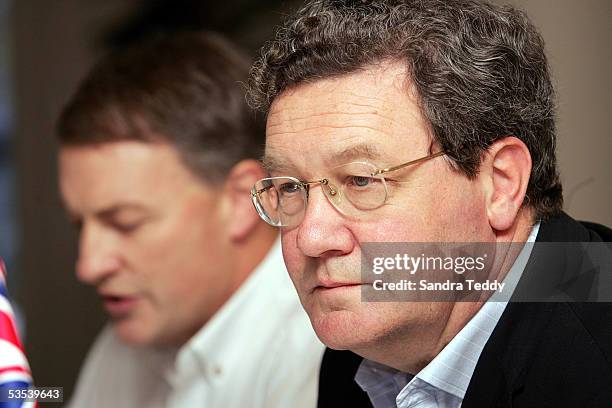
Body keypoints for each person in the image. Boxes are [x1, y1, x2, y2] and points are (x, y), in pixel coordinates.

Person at [245, 0, 612, 407]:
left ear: (501, 184)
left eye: (362, 180)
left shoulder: (594, 369)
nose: (311, 238)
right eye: (291, 187)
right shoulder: (358, 360)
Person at [56, 32, 323, 408]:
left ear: (240, 201)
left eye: (125, 223)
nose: (89, 266)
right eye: (80, 225)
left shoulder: (323, 353)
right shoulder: (127, 346)